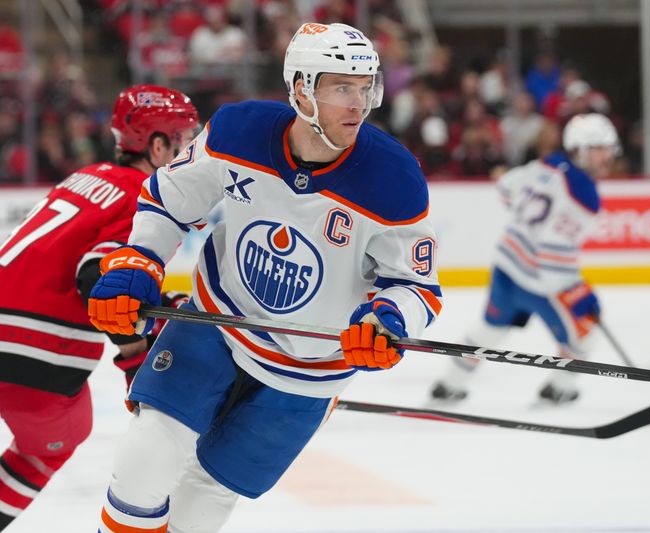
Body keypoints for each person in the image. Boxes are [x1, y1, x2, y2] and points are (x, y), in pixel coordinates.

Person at [88, 22, 442, 533]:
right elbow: (170, 199)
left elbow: (417, 286)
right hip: (218, 320)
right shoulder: (238, 131)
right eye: (342, 87)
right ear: (301, 88)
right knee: (142, 468)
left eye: (366, 88)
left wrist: (387, 318)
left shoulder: (394, 181)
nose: (358, 104)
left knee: (199, 510)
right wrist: (139, 259)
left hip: (310, 368)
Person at [0, 84, 198, 530]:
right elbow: (97, 279)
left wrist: (158, 304)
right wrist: (135, 357)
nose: (191, 154)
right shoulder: (148, 196)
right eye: (184, 141)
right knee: (55, 441)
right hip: (35, 349)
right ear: (157, 145)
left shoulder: (89, 175)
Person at [430, 113, 619, 405]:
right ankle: (559, 389)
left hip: (506, 266)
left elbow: (506, 188)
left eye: (608, 148)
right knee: (584, 334)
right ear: (581, 148)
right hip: (539, 283)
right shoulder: (585, 196)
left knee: (490, 330)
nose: (607, 156)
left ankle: (448, 384)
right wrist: (580, 292)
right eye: (600, 148)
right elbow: (554, 256)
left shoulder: (549, 163)